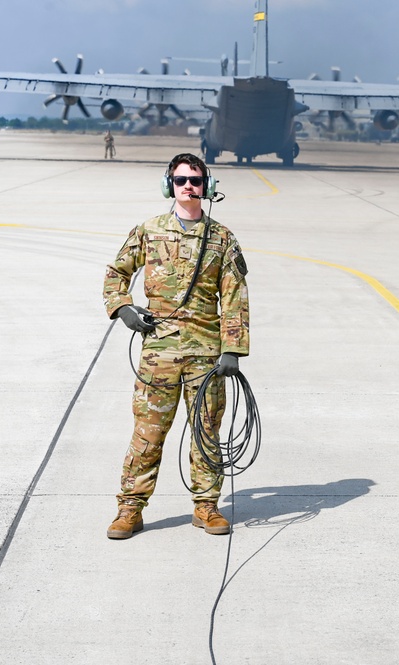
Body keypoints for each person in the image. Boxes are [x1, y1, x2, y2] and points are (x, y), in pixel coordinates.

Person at [103, 153, 250, 539]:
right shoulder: (149, 230)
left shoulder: (222, 238)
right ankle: (129, 510)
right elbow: (116, 272)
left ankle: (206, 506)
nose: (189, 186)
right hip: (158, 352)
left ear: (208, 187)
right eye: (182, 179)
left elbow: (235, 296)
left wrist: (232, 349)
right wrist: (123, 308)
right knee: (148, 434)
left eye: (196, 181)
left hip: (205, 352)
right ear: (169, 183)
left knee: (206, 432)